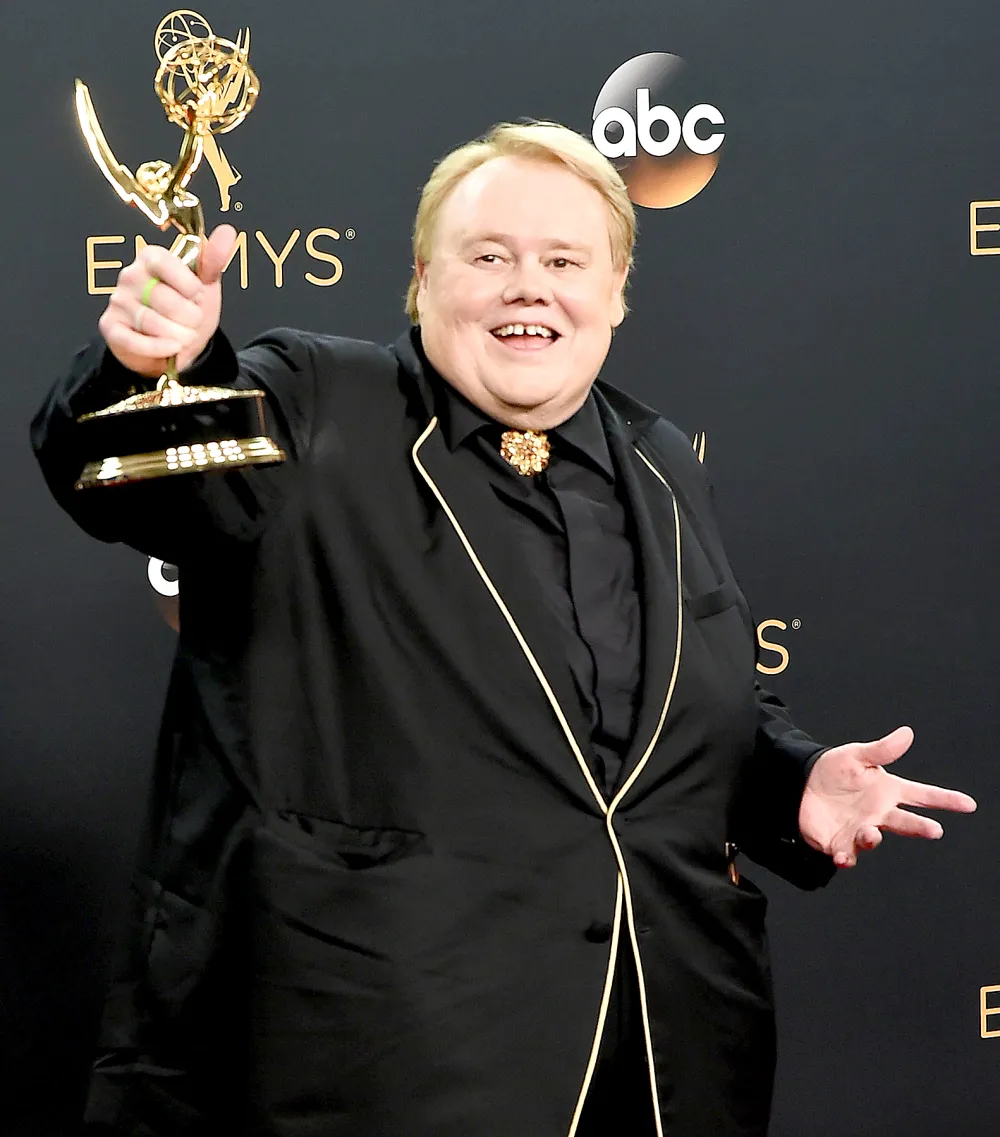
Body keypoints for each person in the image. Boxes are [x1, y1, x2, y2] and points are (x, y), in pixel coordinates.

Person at [32, 121, 976, 1137]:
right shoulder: (315, 401)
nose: (531, 286)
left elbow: (650, 741)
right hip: (377, 1064)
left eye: (565, 261)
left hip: (660, 1056)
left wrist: (790, 783)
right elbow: (125, 477)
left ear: (614, 291)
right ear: (423, 280)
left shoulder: (658, 459)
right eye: (491, 257)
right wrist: (144, 371)